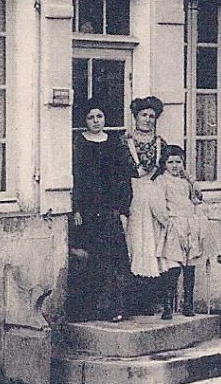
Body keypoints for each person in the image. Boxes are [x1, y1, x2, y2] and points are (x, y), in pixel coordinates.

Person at [68, 105, 133, 322]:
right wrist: (76, 207)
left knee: (113, 260)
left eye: (99, 116)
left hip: (108, 211)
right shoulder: (79, 143)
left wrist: (122, 209)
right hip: (87, 211)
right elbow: (76, 176)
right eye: (91, 117)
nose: (96, 121)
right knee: (89, 259)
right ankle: (87, 310)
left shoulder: (113, 143)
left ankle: (113, 308)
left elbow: (123, 176)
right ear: (85, 120)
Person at [123, 96, 170, 313]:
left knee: (154, 245)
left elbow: (170, 170)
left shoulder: (161, 144)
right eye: (144, 115)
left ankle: (152, 300)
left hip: (155, 196)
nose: (148, 120)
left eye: (152, 116)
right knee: (135, 244)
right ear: (136, 117)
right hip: (134, 196)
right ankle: (132, 302)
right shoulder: (125, 142)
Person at [153, 145, 204, 319]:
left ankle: (187, 304)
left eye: (178, 162)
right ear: (164, 163)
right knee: (173, 268)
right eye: (171, 162)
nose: (174, 166)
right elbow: (158, 205)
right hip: (174, 226)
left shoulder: (185, 182)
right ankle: (168, 306)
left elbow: (195, 200)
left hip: (189, 225)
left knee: (189, 267)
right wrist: (167, 222)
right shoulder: (162, 181)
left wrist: (193, 184)